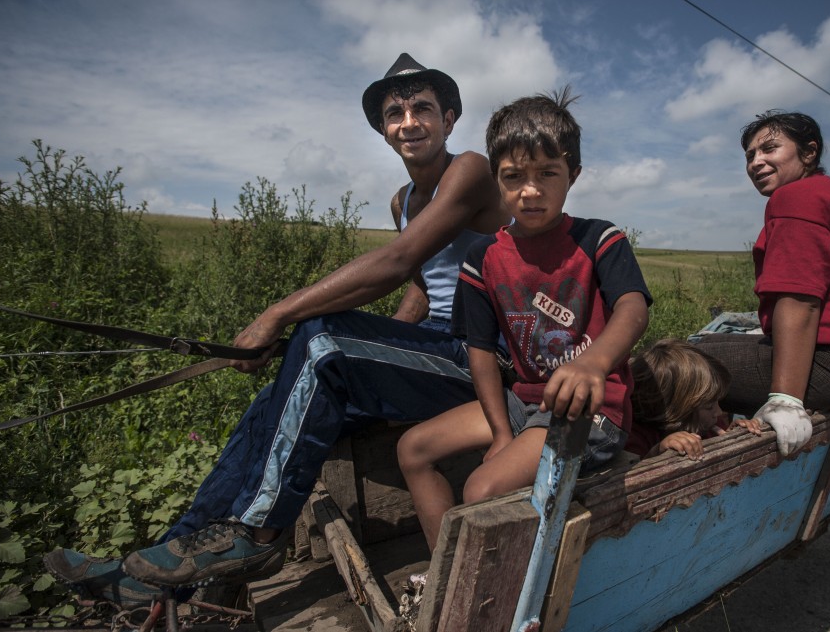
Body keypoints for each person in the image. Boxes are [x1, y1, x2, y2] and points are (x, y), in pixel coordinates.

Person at [43, 53, 509, 605]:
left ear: (449, 119)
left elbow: (395, 260)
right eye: (395, 113)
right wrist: (370, 353)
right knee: (274, 399)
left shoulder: (471, 169)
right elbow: (417, 282)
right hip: (433, 351)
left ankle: (257, 532)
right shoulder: (401, 200)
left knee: (320, 337)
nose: (409, 121)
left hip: (480, 360)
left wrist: (276, 315)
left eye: (422, 108)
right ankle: (161, 571)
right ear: (383, 131)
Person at [396, 88, 652, 553]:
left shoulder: (600, 239)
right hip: (524, 403)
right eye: (513, 177)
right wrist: (499, 431)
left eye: (547, 174)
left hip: (589, 410)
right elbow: (479, 348)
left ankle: (481, 609)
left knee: (481, 490)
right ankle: (442, 581)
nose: (530, 191)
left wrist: (594, 364)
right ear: (496, 179)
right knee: (412, 449)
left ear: (572, 175)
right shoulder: (483, 256)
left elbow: (633, 310)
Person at [695, 110, 830, 457]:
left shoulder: (798, 197)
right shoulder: (829, 193)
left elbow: (801, 299)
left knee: (679, 361)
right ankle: (721, 426)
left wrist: (785, 399)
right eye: (750, 155)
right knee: (713, 343)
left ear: (809, 153)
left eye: (770, 149)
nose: (756, 162)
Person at [624, 338, 760, 461]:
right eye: (709, 406)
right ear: (677, 411)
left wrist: (733, 435)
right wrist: (657, 452)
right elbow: (631, 475)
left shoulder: (705, 423)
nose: (719, 412)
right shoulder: (633, 435)